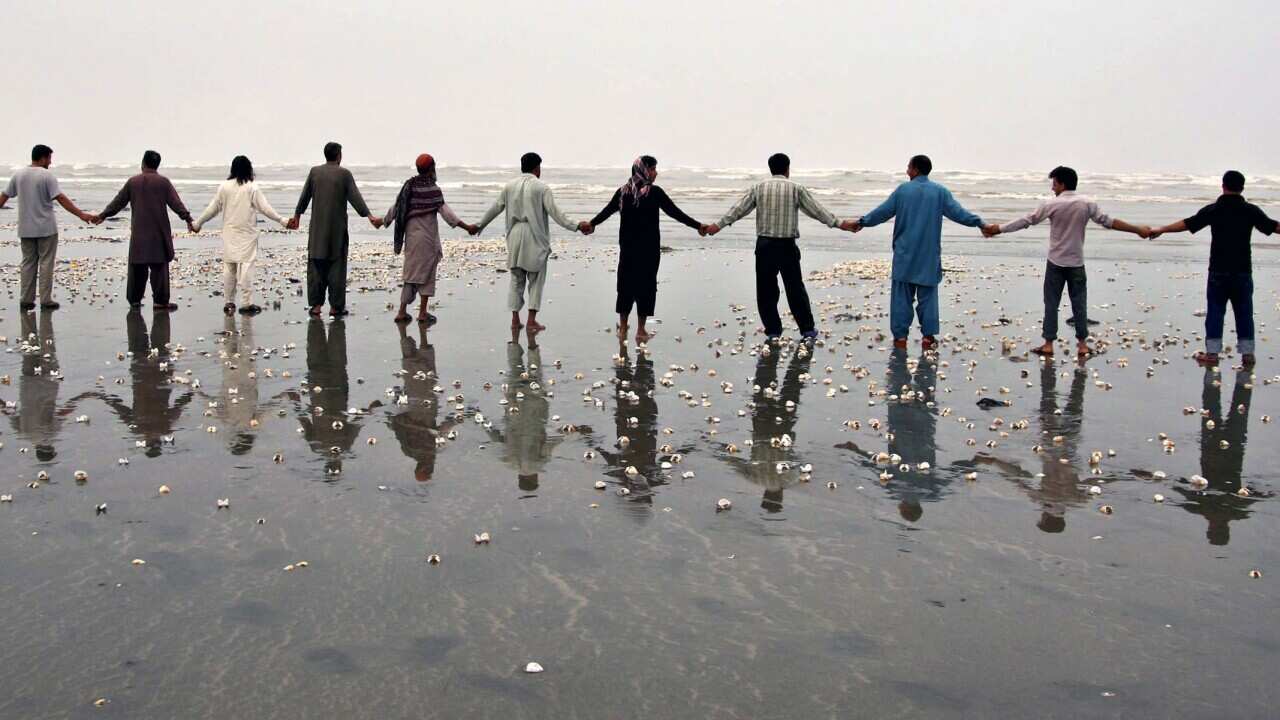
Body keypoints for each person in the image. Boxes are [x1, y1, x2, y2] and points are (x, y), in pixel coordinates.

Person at [982, 166, 1150, 357]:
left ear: (1062, 183)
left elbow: (1026, 220)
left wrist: (998, 229)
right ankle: (1082, 345)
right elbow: (1109, 222)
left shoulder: (1052, 204)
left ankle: (1048, 344)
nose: (1052, 188)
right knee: (1079, 304)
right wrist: (1137, 230)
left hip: (1055, 262)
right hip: (1077, 262)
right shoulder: (1087, 203)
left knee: (1051, 303)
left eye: (1054, 183)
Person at [705, 153, 857, 342]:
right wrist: (841, 224)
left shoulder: (758, 188)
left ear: (771, 169)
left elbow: (738, 210)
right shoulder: (795, 188)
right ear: (787, 168)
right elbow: (816, 211)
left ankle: (773, 330)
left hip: (765, 245)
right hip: (787, 245)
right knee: (795, 289)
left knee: (766, 289)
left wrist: (716, 226)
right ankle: (807, 329)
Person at [852, 155, 986, 351]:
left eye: (908, 167)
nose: (907, 171)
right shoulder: (940, 192)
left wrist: (861, 222)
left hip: (904, 254)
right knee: (928, 298)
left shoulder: (903, 191)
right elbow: (959, 213)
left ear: (914, 169)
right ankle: (928, 337)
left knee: (901, 299)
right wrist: (980, 223)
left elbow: (883, 212)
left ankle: (900, 338)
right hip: (928, 256)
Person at [1149, 170, 1278, 366]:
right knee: (1244, 313)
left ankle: (1212, 354)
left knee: (1216, 312)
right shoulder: (1251, 210)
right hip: (1243, 270)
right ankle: (1247, 354)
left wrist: (1162, 229)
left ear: (1223, 185)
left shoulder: (1214, 209)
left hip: (1218, 270)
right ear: (1242, 188)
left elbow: (1188, 223)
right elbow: (1273, 226)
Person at [587, 156, 705, 343]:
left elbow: (607, 211)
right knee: (646, 287)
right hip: (649, 250)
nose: (656, 173)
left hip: (628, 248)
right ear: (645, 170)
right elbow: (675, 213)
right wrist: (698, 226)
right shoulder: (654, 192)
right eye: (653, 169)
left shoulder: (623, 192)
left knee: (625, 286)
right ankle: (641, 330)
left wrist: (592, 224)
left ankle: (623, 327)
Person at [473, 152, 590, 332]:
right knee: (536, 279)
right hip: (534, 234)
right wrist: (577, 226)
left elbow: (495, 208)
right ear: (537, 168)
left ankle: (515, 320)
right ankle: (531, 321)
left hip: (514, 234)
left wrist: (479, 225)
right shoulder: (542, 188)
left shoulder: (509, 186)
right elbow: (556, 213)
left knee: (516, 278)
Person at [381, 154, 478, 325]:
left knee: (410, 274)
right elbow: (448, 215)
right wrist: (468, 227)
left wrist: (383, 221)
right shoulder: (433, 190)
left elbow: (396, 207)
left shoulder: (408, 187)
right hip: (428, 240)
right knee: (427, 274)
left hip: (411, 239)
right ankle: (423, 313)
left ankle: (402, 311)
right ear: (431, 169)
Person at [92, 150, 194, 311]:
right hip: (158, 232)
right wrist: (188, 219)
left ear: (143, 164)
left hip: (139, 232)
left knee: (137, 268)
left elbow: (118, 202)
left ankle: (134, 300)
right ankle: (160, 302)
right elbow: (176, 204)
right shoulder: (163, 182)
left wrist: (103, 215)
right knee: (159, 268)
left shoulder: (133, 182)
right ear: (157, 165)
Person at [288, 142, 380, 318]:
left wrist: (297, 216)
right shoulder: (344, 174)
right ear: (338, 155)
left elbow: (305, 196)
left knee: (316, 266)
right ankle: (336, 307)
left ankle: (315, 306)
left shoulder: (315, 172)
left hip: (317, 230)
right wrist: (368, 216)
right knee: (337, 267)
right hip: (337, 230)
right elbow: (355, 198)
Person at [0, 145, 93, 310]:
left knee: (28, 263)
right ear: (42, 158)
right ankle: (45, 299)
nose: (50, 162)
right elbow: (61, 198)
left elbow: (4, 196)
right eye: (49, 158)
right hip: (46, 228)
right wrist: (81, 214)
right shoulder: (46, 176)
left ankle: (26, 299)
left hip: (26, 228)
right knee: (46, 263)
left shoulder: (18, 174)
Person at [192, 156, 288, 315]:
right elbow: (265, 208)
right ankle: (246, 302)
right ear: (249, 169)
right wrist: (282, 220)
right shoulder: (252, 188)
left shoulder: (224, 187)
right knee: (247, 266)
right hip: (247, 233)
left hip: (229, 232)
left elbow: (213, 209)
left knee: (229, 266)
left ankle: (229, 302)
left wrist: (198, 223)